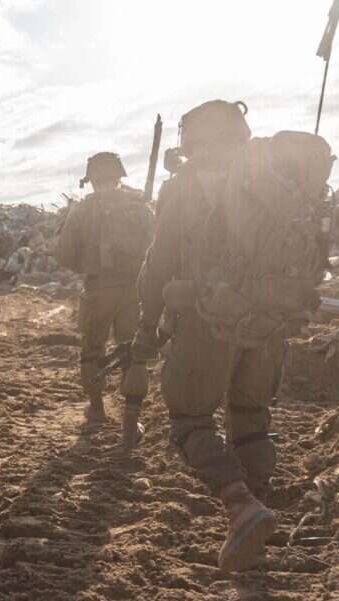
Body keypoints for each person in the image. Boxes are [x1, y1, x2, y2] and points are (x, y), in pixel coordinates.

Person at [135, 101, 285, 572]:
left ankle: (241, 507)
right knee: (249, 414)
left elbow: (159, 264)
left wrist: (147, 326)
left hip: (207, 320)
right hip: (268, 323)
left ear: (193, 142)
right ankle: (257, 515)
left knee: (189, 419)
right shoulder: (273, 182)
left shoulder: (184, 188)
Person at [56, 152, 154, 447]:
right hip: (134, 290)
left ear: (92, 179)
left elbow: (63, 255)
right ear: (119, 174)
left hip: (97, 290)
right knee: (134, 354)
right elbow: (158, 246)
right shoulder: (140, 206)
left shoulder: (82, 210)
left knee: (91, 350)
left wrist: (89, 267)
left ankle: (97, 410)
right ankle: (130, 422)